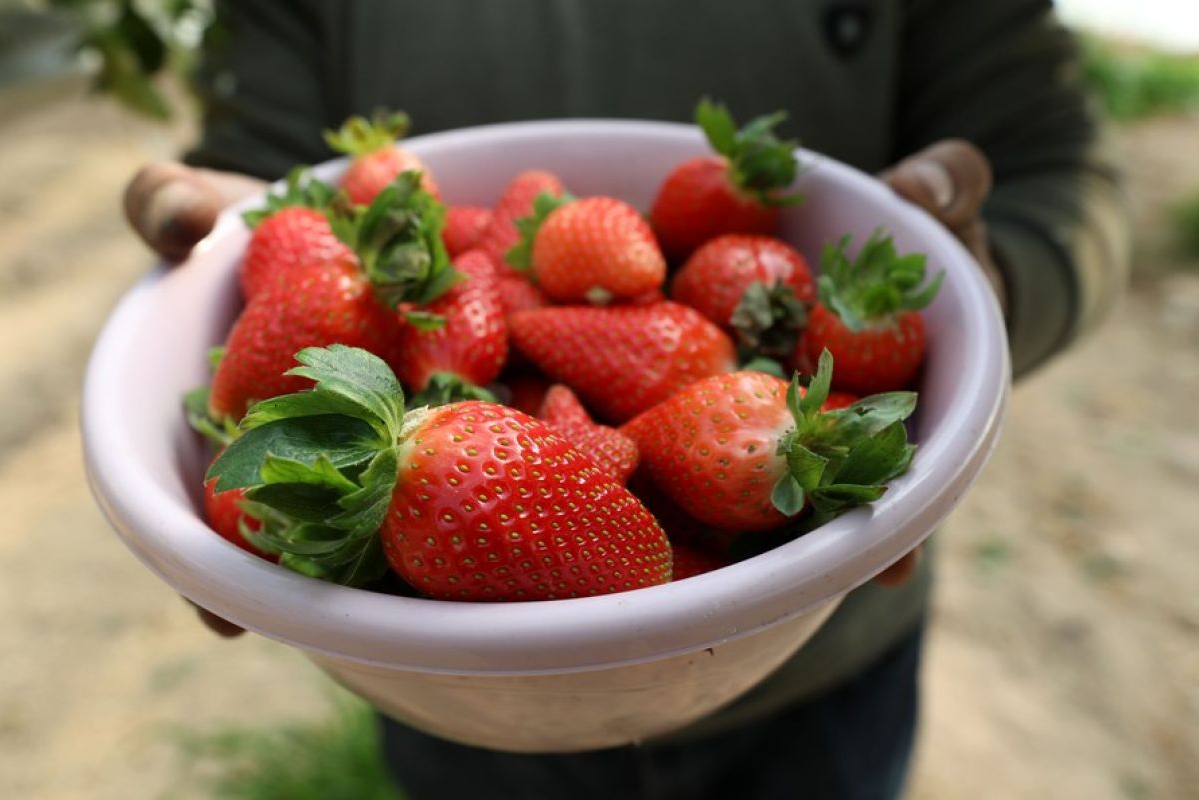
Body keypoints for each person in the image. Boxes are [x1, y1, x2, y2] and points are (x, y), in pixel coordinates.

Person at [122, 2, 1129, 798]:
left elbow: (1054, 175)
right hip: (462, 692)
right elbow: (274, 172)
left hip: (815, 649)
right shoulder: (452, 385)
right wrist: (238, 226)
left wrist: (971, 314)